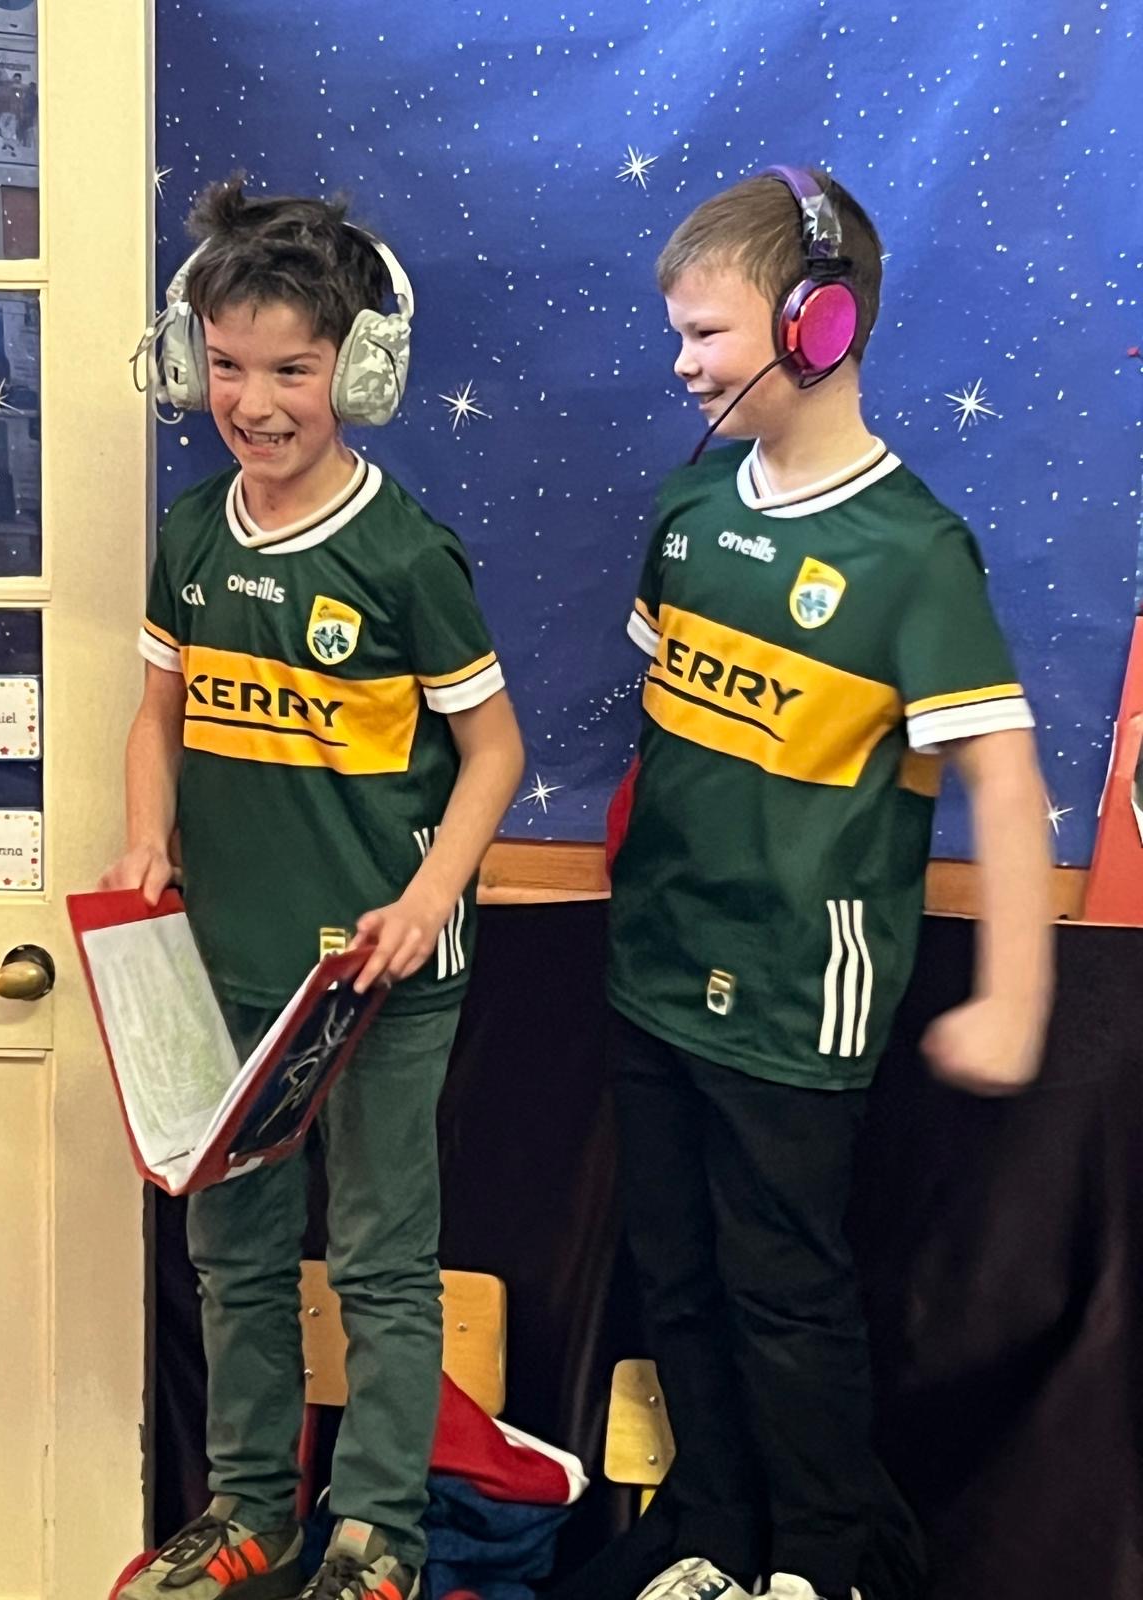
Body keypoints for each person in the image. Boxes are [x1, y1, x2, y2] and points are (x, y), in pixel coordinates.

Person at [588, 166, 1053, 1600]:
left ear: (820, 325)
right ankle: (716, 1541)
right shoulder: (689, 510)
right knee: (677, 1278)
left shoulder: (912, 552)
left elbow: (1004, 782)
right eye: (677, 333)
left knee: (783, 1295)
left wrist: (1016, 999)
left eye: (707, 334)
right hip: (655, 971)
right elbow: (665, 736)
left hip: (798, 996)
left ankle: (824, 1564)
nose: (682, 363)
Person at [102, 177, 525, 1600]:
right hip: (229, 969)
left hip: (376, 980)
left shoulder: (406, 555)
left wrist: (427, 900)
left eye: (291, 369)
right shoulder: (190, 535)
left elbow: (495, 752)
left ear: (361, 368)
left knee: (383, 1264)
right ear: (189, 360)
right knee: (232, 1256)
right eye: (227, 365)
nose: (254, 401)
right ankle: (251, 1513)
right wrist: (148, 838)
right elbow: (157, 716)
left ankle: (376, 1533)